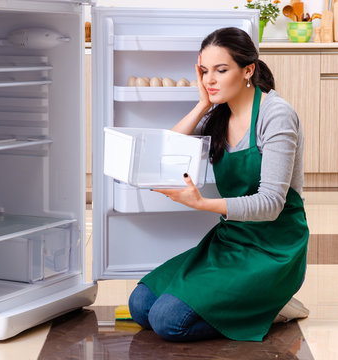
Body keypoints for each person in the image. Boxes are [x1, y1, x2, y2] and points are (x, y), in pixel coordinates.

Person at [128, 27, 309, 342]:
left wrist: (201, 203)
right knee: (140, 304)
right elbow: (165, 150)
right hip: (231, 239)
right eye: (204, 71)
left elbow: (270, 204)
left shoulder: (275, 115)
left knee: (167, 321)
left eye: (221, 70)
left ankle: (272, 306)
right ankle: (254, 303)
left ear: (248, 70)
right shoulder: (219, 114)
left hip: (273, 247)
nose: (209, 80)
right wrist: (202, 105)